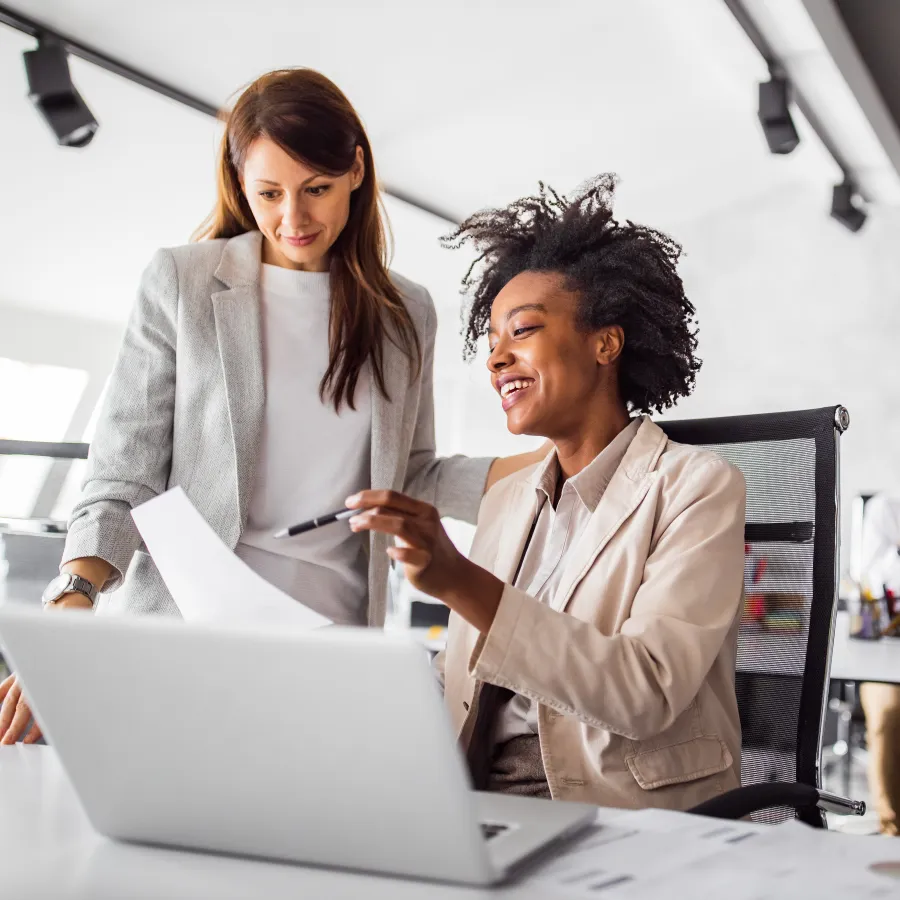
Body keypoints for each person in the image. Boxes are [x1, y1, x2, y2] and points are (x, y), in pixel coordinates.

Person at [0, 68, 542, 745]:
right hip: (184, 639)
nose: (294, 218)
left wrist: (559, 466)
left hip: (329, 647)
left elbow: (414, 474)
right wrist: (73, 596)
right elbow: (124, 471)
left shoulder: (405, 314)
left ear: (355, 171)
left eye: (315, 189)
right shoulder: (184, 283)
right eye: (269, 193)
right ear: (240, 184)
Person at [347, 175, 746, 809]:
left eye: (522, 331)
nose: (496, 359)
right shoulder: (509, 497)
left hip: (613, 810)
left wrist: (458, 581)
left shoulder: (697, 489)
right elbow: (466, 676)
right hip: (477, 796)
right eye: (493, 341)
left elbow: (646, 691)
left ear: (605, 344)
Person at [858, 493, 900, 835]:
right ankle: (892, 828)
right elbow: (869, 580)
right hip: (887, 648)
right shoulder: (886, 509)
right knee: (888, 715)